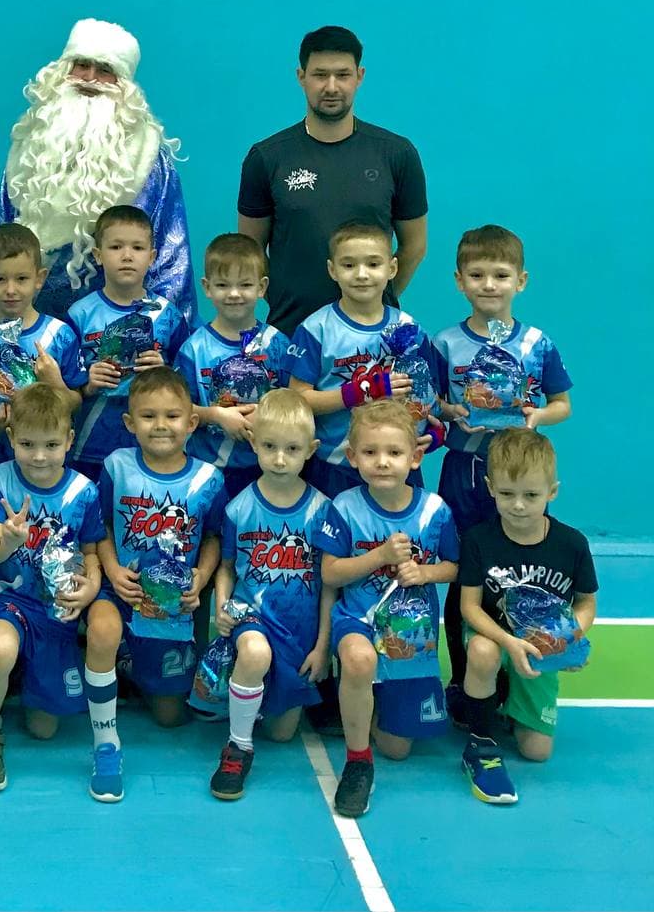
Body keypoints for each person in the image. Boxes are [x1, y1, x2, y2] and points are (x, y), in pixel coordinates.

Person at [0, 18, 195, 324]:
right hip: (32, 332)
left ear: (124, 84)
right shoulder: (31, 155)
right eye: (82, 65)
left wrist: (156, 334)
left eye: (104, 70)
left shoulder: (151, 164)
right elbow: (1, 243)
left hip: (118, 336)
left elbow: (170, 262)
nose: (90, 78)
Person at [433, 225, 573, 695]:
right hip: (464, 472)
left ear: (521, 281)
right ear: (459, 281)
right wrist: (449, 410)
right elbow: (431, 405)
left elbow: (562, 404)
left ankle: (519, 672)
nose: (489, 284)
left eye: (500, 274)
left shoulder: (537, 343)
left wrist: (537, 417)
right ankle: (463, 678)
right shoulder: (444, 343)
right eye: (477, 275)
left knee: (516, 569)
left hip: (518, 472)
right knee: (463, 574)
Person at [84, 367, 225, 803]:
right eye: (148, 416)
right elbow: (101, 526)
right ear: (129, 423)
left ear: (192, 422)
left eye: (171, 416)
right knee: (102, 629)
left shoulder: (208, 478)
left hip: (169, 607)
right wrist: (111, 569)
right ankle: (106, 744)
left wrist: (201, 575)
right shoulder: (117, 466)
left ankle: (129, 667)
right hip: (120, 591)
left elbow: (214, 537)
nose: (160, 425)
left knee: (169, 716)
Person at [314, 400, 460, 819]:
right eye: (371, 452)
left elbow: (454, 567)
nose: (382, 462)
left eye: (394, 453)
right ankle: (358, 761)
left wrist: (425, 573)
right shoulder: (344, 507)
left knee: (397, 749)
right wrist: (378, 556)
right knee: (359, 661)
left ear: (415, 457)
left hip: (409, 636)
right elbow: (330, 573)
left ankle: (369, 705)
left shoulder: (434, 511)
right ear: (353, 456)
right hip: (358, 619)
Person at [237, 26, 428, 337]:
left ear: (359, 76)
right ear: (301, 76)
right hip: (291, 331)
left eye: (342, 75)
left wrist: (378, 296)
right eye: (320, 75)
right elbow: (250, 250)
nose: (331, 86)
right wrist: (284, 302)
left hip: (374, 338)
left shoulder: (397, 154)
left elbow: (415, 246)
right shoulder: (266, 158)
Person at [0, 385, 102, 793]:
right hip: (6, 598)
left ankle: (21, 680)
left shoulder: (84, 491)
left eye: (51, 445)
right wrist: (10, 539)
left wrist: (92, 587)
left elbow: (92, 552)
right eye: (27, 444)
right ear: (10, 438)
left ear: (69, 440)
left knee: (44, 730)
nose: (39, 456)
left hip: (55, 608)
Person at [209, 389, 336, 801]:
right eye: (269, 447)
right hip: (252, 619)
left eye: (292, 449)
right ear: (253, 443)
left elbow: (330, 584)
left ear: (311, 450)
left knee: (282, 734)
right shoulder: (239, 508)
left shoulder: (323, 511)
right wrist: (221, 607)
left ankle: (249, 697)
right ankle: (237, 746)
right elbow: (226, 567)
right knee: (255, 653)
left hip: (298, 633)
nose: (279, 459)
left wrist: (322, 646)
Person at [457, 430, 596, 805]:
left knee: (536, 752)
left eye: (531, 495)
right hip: (495, 637)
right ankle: (481, 744)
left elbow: (586, 603)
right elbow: (469, 607)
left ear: (553, 492)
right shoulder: (478, 540)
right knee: (482, 652)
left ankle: (504, 701)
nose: (518, 505)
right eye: (507, 494)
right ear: (490, 488)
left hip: (539, 649)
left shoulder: (572, 544)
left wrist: (565, 639)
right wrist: (509, 641)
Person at [287, 222, 443, 501]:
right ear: (332, 270)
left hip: (397, 466)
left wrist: (434, 431)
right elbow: (298, 400)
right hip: (336, 466)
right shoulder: (316, 329)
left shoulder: (410, 329)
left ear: (392, 268)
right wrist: (361, 391)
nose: (361, 274)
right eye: (349, 265)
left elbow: (431, 397)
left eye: (373, 264)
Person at [0, 223, 87, 480]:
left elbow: (77, 402)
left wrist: (56, 385)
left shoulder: (59, 335)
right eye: (0, 279)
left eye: (22, 279)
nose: (11, 289)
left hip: (46, 463)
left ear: (40, 278)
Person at [67, 206, 189, 482]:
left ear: (152, 257)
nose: (127, 256)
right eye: (115, 247)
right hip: (91, 445)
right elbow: (64, 386)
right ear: (98, 255)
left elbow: (187, 384)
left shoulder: (168, 315)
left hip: (152, 445)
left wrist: (164, 373)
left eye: (137, 247)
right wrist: (88, 383)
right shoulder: (79, 314)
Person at [175, 233, 293, 501]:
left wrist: (268, 415)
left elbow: (296, 403)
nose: (234, 294)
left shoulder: (277, 344)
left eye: (245, 284)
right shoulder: (194, 349)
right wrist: (217, 415)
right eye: (222, 285)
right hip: (208, 468)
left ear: (262, 287)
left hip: (268, 467)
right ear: (207, 287)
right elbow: (178, 409)